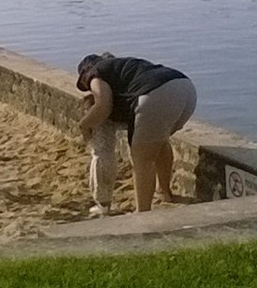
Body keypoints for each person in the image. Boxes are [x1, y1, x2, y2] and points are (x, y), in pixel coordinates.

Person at [76, 53, 197, 213]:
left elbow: (103, 104)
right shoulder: (124, 69)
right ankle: (164, 192)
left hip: (155, 93)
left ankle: (143, 213)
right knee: (160, 142)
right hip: (184, 88)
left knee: (142, 159)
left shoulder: (95, 74)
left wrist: (84, 125)